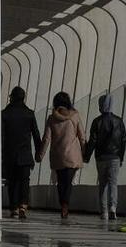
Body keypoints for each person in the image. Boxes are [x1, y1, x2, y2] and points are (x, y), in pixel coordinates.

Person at [36, 91, 85, 219]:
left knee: (60, 183)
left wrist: (40, 155)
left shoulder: (52, 118)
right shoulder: (75, 116)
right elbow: (82, 137)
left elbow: (46, 139)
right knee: (68, 182)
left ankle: (63, 204)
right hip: (72, 156)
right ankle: (65, 206)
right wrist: (85, 153)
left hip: (58, 156)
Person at [1, 86, 42, 219]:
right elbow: (36, 134)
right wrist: (38, 152)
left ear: (12, 97)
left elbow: (1, 136)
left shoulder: (5, 114)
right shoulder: (29, 113)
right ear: (23, 98)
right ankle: (23, 205)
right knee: (24, 181)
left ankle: (14, 208)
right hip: (25, 154)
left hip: (10, 154)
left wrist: (0, 154)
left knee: (12, 181)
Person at [84, 94, 125, 220]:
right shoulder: (119, 121)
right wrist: (121, 157)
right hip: (115, 157)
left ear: (101, 105)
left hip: (101, 157)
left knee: (103, 184)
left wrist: (86, 156)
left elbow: (93, 141)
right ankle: (113, 208)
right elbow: (123, 141)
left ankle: (104, 212)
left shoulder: (97, 121)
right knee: (113, 183)